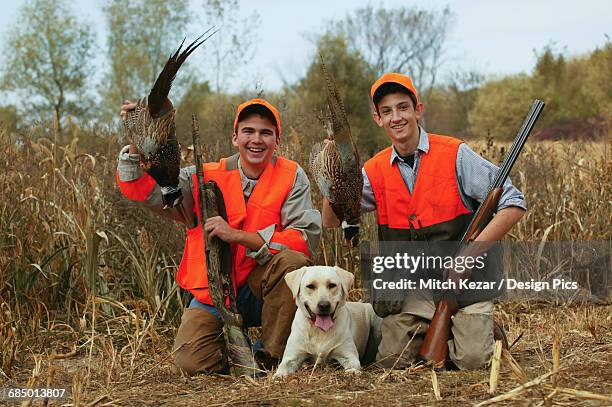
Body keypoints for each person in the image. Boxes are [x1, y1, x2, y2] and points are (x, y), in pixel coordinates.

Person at [321, 73, 526, 370]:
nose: (396, 117)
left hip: (465, 286)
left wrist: (468, 257)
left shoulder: (455, 154)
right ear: (377, 118)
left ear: (419, 109)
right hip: (415, 292)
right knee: (391, 361)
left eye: (403, 107)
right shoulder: (374, 170)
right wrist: (334, 180)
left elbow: (513, 202)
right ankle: (441, 330)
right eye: (387, 111)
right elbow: (330, 221)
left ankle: (485, 333)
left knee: (470, 362)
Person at [117, 98, 322, 375]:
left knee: (294, 264)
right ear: (235, 137)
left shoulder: (291, 175)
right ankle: (237, 352)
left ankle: (269, 356)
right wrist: (137, 140)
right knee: (190, 362)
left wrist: (237, 235)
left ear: (277, 140)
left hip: (261, 288)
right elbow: (143, 190)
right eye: (248, 131)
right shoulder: (202, 176)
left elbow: (303, 240)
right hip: (213, 293)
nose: (256, 140)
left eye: (266, 133)